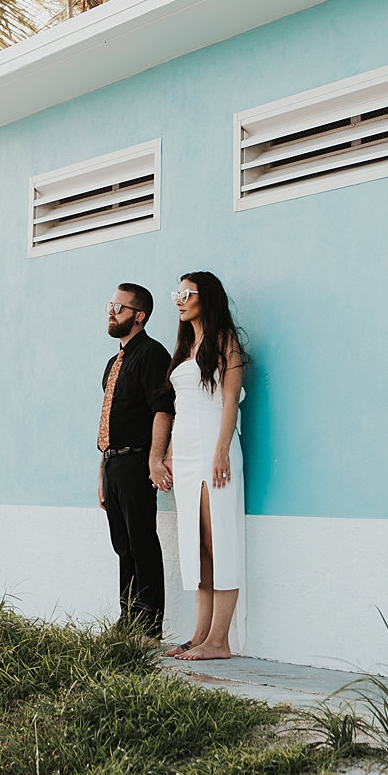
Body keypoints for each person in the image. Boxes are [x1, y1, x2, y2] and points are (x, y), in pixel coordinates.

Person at [149, 271, 246, 660]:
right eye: (177, 293)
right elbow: (178, 408)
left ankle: (219, 642)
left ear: (206, 297)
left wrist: (221, 450)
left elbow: (229, 401)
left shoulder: (225, 342)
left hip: (213, 448)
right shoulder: (186, 347)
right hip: (186, 453)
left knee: (216, 540)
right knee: (196, 545)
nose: (179, 299)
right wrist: (170, 452)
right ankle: (199, 634)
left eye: (186, 293)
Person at [97, 281, 174, 638]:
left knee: (142, 544)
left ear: (139, 316)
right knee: (122, 547)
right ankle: (127, 621)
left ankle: (148, 627)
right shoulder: (115, 361)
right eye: (111, 305)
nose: (111, 311)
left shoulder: (152, 354)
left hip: (137, 462)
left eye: (119, 307)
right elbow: (110, 417)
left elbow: (163, 410)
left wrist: (156, 461)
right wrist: (102, 471)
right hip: (113, 464)